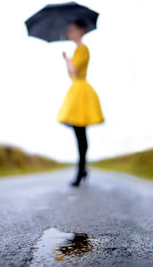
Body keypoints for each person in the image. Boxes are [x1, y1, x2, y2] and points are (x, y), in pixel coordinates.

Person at [56, 18, 105, 187]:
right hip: (76, 90)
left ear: (80, 31)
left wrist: (67, 60)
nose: (69, 33)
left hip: (81, 92)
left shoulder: (83, 49)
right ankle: (82, 170)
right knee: (79, 134)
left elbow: (74, 70)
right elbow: (72, 74)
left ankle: (81, 171)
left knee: (81, 134)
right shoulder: (78, 50)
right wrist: (68, 61)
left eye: (71, 29)